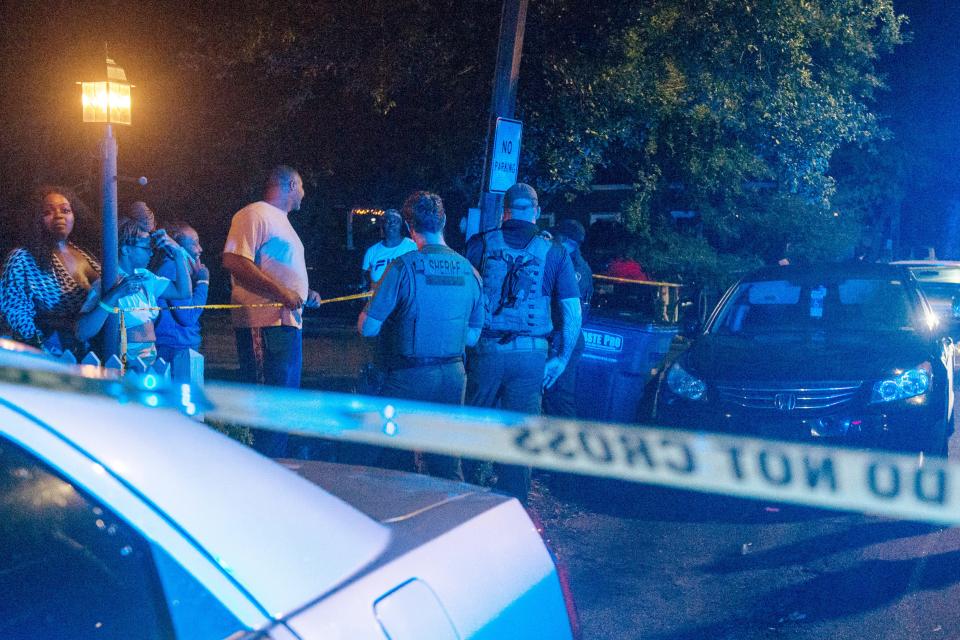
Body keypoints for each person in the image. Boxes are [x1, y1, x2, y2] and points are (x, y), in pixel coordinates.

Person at [464, 183, 582, 503]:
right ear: (536, 211)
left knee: (474, 425)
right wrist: (561, 357)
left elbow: (464, 300)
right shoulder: (555, 252)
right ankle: (513, 506)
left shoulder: (480, 244)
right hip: (532, 355)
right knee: (521, 435)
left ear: (505, 211)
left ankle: (468, 500)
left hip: (486, 350)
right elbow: (573, 313)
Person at [358, 191, 483, 480]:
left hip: (407, 376)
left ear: (408, 225)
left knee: (388, 456)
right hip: (453, 376)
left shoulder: (402, 267)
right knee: (446, 463)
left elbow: (369, 328)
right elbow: (473, 337)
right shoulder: (470, 270)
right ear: (444, 221)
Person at [222, 165, 322, 457]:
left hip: (287, 323)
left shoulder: (282, 222)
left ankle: (275, 467)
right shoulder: (254, 214)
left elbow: (281, 271)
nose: (304, 194)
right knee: (268, 405)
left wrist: (305, 294)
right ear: (290, 184)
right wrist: (281, 292)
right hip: (264, 325)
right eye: (302, 187)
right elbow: (234, 261)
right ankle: (263, 471)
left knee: (283, 407)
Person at [0, 186, 101, 356]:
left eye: (65, 210)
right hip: (51, 354)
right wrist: (42, 353)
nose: (59, 215)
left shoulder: (86, 253)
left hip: (96, 353)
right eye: (48, 212)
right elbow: (16, 314)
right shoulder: (22, 260)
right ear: (35, 219)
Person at [76, 216, 192, 364]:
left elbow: (183, 292)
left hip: (147, 366)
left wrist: (178, 254)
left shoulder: (146, 278)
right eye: (146, 248)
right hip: (122, 369)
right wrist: (114, 294)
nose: (151, 253)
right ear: (125, 249)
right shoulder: (106, 284)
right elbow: (81, 332)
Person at [543, 219, 593, 418]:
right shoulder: (577, 264)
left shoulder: (573, 268)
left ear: (562, 239)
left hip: (563, 339)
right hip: (565, 337)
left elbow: (567, 311)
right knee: (553, 396)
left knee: (558, 397)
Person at [155, 222, 209, 365]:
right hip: (174, 347)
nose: (200, 249)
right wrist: (203, 283)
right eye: (194, 243)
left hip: (178, 345)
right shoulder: (171, 268)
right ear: (178, 247)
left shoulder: (179, 269)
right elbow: (187, 316)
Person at [361, 208, 417, 288]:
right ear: (383, 225)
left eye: (395, 221)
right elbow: (364, 280)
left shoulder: (412, 246)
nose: (391, 224)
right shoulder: (371, 251)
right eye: (388, 221)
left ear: (400, 225)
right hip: (380, 299)